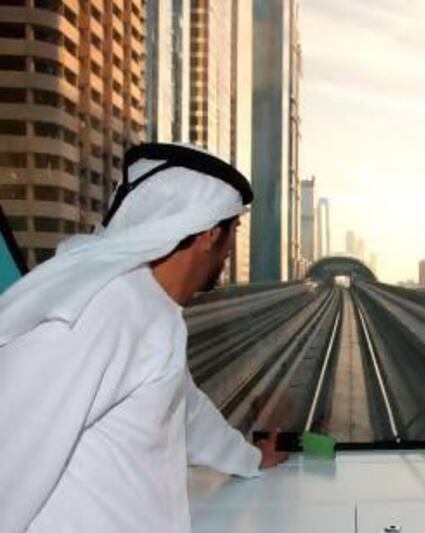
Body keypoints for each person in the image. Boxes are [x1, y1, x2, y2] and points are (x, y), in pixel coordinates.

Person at [0, 143, 287, 533]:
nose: (229, 251)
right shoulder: (101, 308)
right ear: (209, 234)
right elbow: (10, 450)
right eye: (233, 230)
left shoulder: (150, 308)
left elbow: (183, 410)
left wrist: (251, 460)